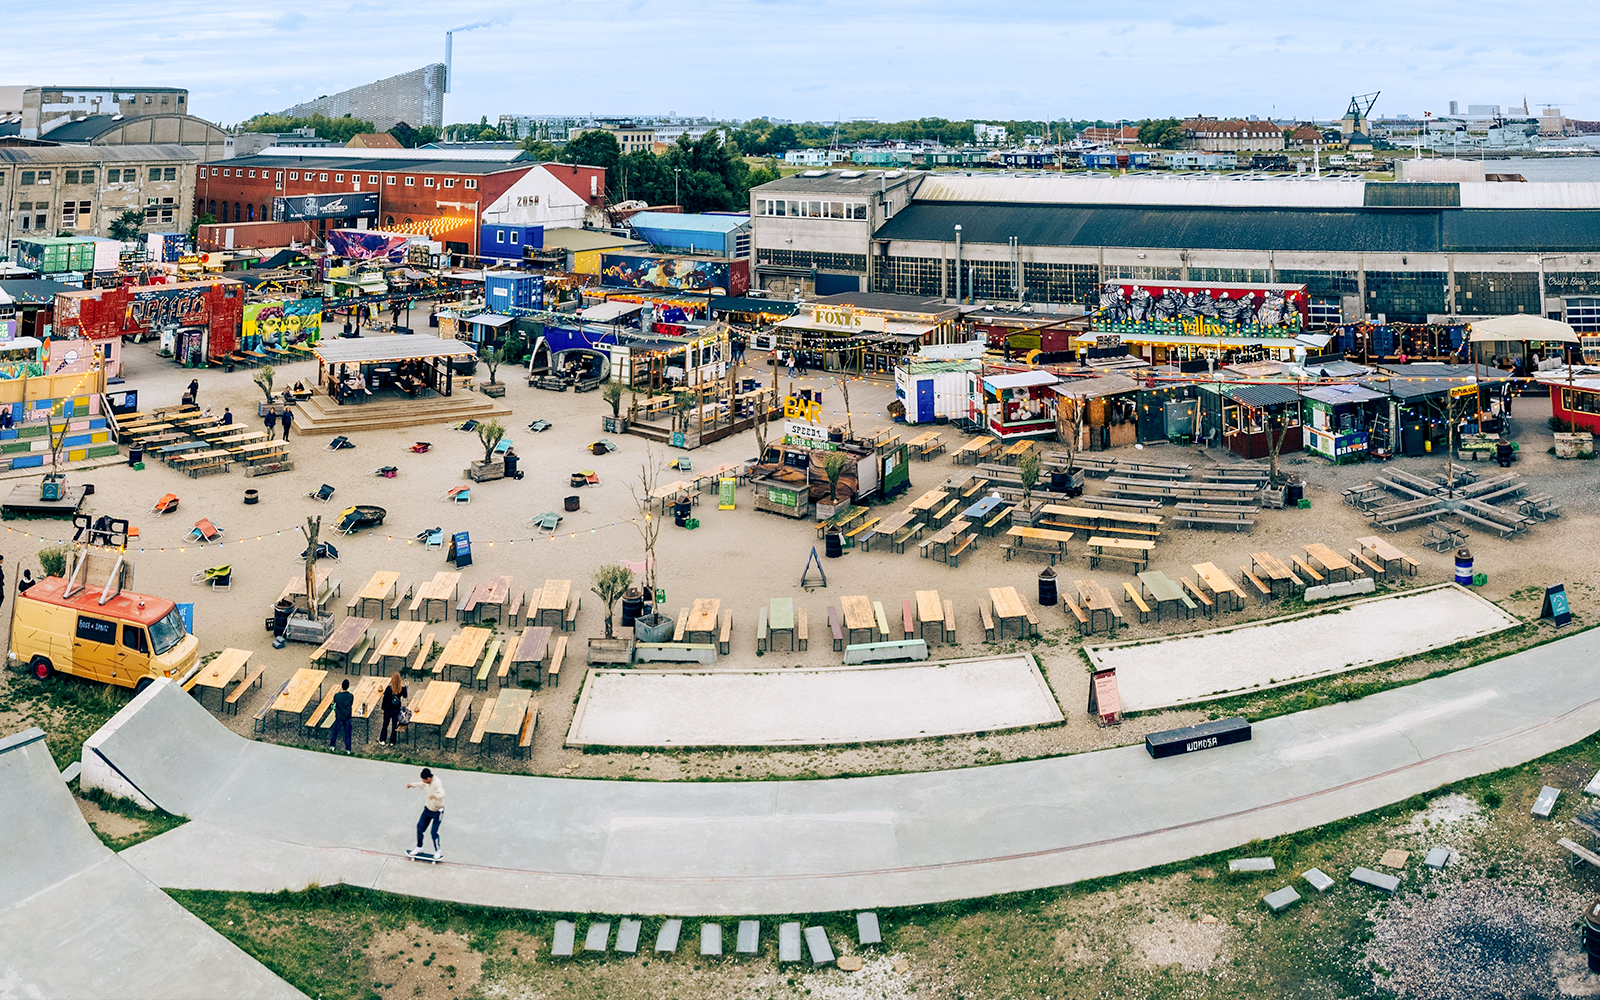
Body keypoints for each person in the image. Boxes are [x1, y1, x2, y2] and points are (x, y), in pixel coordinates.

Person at [407, 768, 444, 856]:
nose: (423, 781)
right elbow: (421, 785)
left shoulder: (437, 783)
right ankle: (419, 847)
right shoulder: (426, 783)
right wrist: (412, 785)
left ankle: (438, 851)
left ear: (429, 778)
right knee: (419, 827)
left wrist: (435, 796)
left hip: (437, 811)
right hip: (428, 809)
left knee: (433, 832)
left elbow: (442, 794)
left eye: (424, 779)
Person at [380, 672, 408, 745]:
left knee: (385, 725)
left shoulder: (389, 689)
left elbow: (385, 699)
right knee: (394, 725)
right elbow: (405, 696)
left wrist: (383, 707)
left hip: (388, 709)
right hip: (396, 710)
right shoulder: (400, 689)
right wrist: (405, 687)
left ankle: (383, 739)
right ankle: (392, 741)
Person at [329, 678, 354, 753]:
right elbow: (351, 704)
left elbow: (335, 704)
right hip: (347, 717)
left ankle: (332, 746)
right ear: (348, 686)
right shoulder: (351, 696)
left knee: (335, 732)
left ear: (341, 686)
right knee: (347, 734)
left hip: (339, 716)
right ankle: (348, 749)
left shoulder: (337, 696)